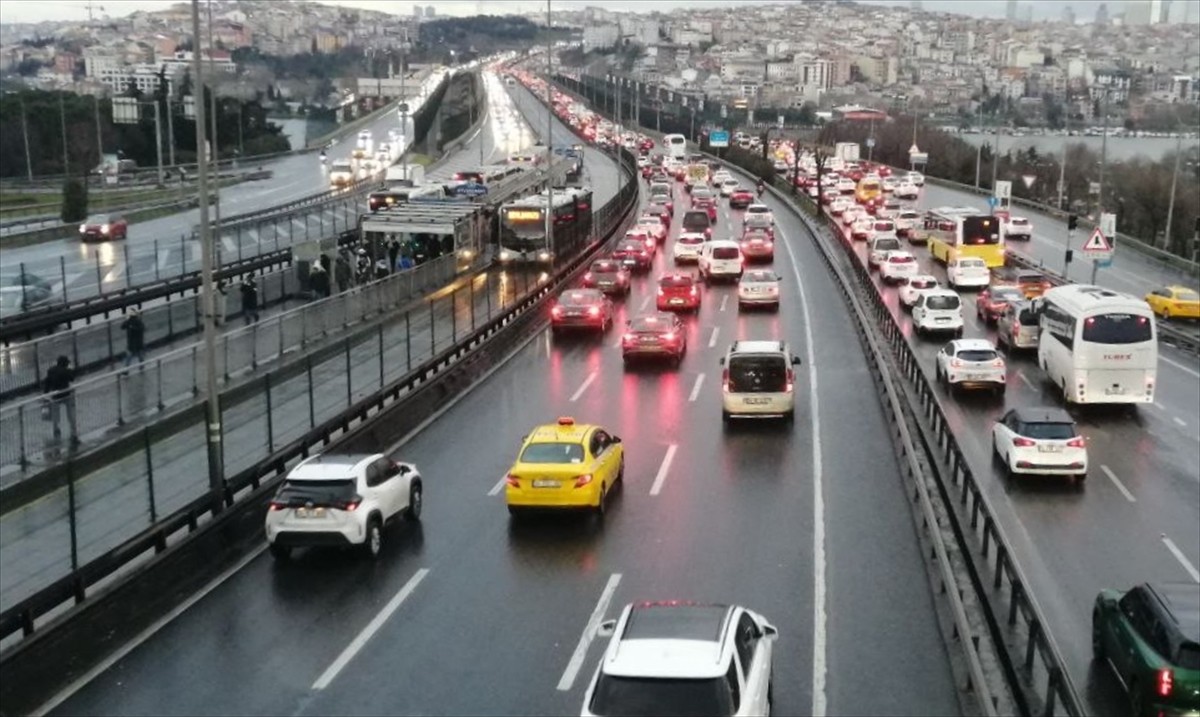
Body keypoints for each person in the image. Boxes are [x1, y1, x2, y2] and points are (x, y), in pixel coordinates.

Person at [43, 356, 78, 445]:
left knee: (55, 414)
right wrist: (71, 369)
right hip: (66, 394)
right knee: (71, 414)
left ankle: (56, 430)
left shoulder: (51, 370)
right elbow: (72, 378)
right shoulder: (65, 370)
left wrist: (45, 394)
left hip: (55, 396)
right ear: (65, 363)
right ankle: (73, 432)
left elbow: (47, 382)